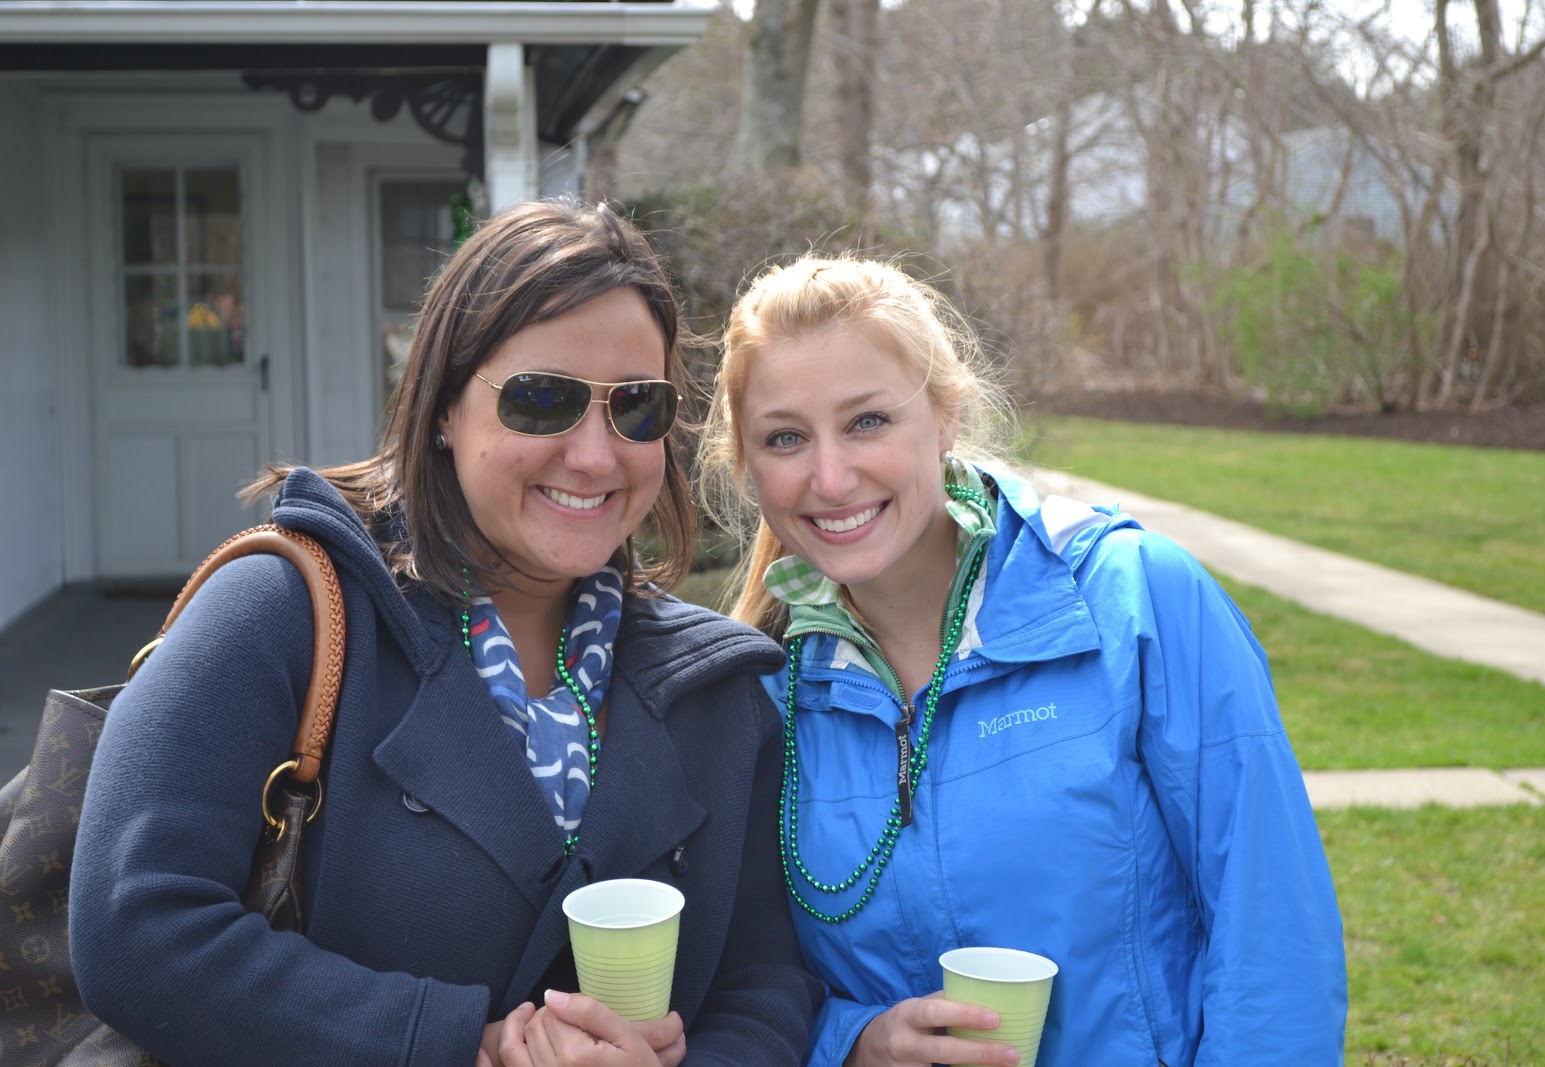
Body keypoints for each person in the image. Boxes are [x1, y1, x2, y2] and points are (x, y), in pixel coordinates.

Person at [71, 199, 821, 1067]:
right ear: (442, 408)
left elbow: (764, 980)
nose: (594, 454)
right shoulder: (283, 613)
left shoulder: (718, 694)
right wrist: (464, 1045)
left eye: (637, 407)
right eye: (541, 399)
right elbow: (137, 926)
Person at [695, 254, 1347, 1066]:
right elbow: (745, 979)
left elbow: (1273, 937)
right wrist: (850, 1041)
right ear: (748, 465)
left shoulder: (1137, 601)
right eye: (786, 437)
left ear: (945, 416)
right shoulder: (759, 689)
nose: (830, 477)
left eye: (867, 421)